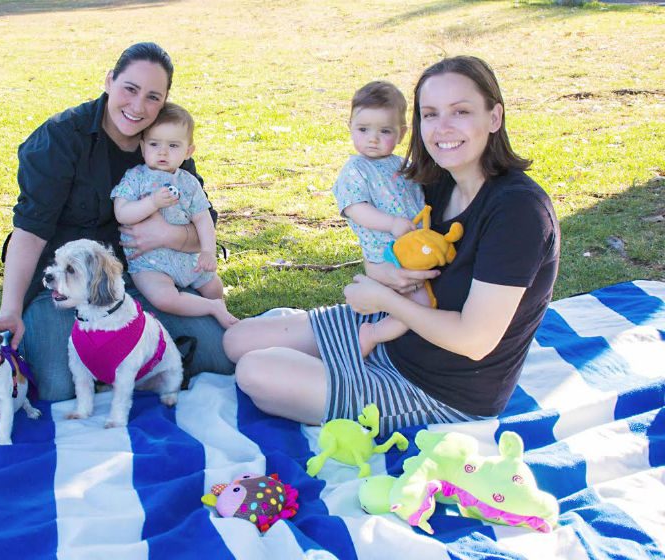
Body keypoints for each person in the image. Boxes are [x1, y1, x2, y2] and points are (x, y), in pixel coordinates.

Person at [223, 55, 560, 433]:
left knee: (255, 371)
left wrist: (384, 300)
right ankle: (336, 358)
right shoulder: (436, 180)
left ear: (494, 117)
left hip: (437, 390)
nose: (442, 128)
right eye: (430, 114)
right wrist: (381, 277)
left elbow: (474, 339)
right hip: (390, 328)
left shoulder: (518, 211)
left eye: (461, 111)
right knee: (237, 342)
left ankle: (341, 367)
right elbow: (384, 254)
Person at [0, 42, 235, 401]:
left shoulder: (164, 142)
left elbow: (203, 221)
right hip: (66, 288)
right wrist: (10, 310)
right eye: (130, 89)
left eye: (153, 97)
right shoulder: (62, 137)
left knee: (221, 354)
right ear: (109, 81)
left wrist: (168, 234)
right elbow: (29, 232)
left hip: (145, 279)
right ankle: (125, 360)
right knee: (58, 385)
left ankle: (135, 355)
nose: (138, 107)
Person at [111, 102, 238, 328]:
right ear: (142, 147)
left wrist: (208, 251)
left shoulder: (188, 183)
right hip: (149, 263)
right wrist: (152, 202)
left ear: (188, 151)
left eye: (173, 145)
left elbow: (203, 219)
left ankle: (222, 314)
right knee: (164, 298)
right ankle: (212, 308)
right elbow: (122, 213)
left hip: (186, 258)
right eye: (154, 144)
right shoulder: (135, 178)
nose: (162, 152)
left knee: (213, 287)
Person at [332, 80, 428, 357]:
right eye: (363, 129)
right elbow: (355, 208)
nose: (372, 138)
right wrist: (392, 224)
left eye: (384, 131)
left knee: (425, 300)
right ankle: (372, 335)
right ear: (349, 126)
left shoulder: (402, 165)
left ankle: (396, 337)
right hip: (386, 253)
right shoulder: (355, 170)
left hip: (414, 249)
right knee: (420, 303)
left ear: (401, 133)